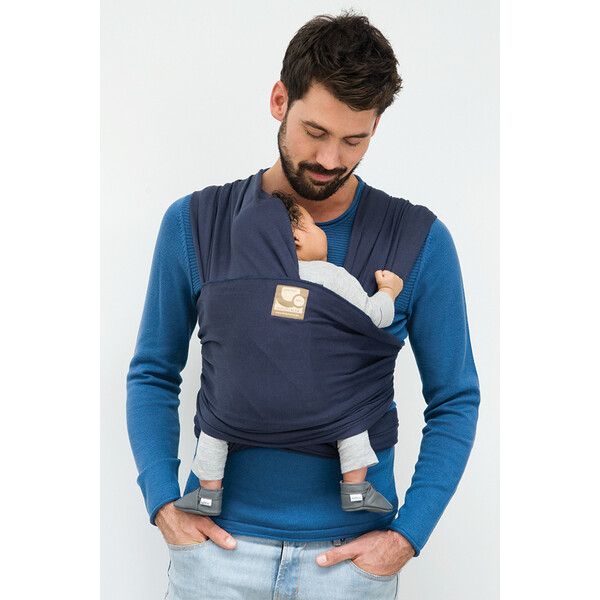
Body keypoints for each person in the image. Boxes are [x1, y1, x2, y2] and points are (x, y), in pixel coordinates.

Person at [127, 11, 479, 599]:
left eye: (354, 140)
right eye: (315, 132)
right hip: (216, 558)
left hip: (349, 565)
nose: (331, 159)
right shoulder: (195, 223)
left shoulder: (417, 240)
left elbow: (455, 398)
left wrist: (406, 537)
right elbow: (153, 372)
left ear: (376, 126)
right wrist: (163, 502)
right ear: (279, 100)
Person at [174, 192, 404, 518]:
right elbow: (375, 316)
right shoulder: (329, 275)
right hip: (319, 398)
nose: (323, 231)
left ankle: (208, 494)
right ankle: (355, 488)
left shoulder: (233, 282)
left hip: (240, 401)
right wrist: (389, 290)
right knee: (351, 415)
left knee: (215, 421)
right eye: (315, 225)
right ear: (296, 239)